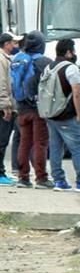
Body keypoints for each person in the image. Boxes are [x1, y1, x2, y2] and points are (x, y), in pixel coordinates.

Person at [44, 39, 80, 192]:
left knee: (55, 148)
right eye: (73, 50)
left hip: (51, 114)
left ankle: (59, 181)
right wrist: (79, 114)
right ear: (69, 52)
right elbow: (76, 93)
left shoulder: (49, 67)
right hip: (67, 115)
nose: (75, 54)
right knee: (78, 148)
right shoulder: (71, 68)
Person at [13, 31, 53, 189]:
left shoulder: (17, 60)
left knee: (25, 142)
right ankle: (41, 178)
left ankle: (23, 178)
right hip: (38, 108)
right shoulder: (43, 62)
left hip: (21, 107)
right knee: (40, 143)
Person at [0, 32, 18, 186]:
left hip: (5, 104)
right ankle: (0, 173)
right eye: (13, 43)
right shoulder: (1, 60)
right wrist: (5, 105)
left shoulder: (5, 59)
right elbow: (2, 83)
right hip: (3, 107)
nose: (15, 46)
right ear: (6, 44)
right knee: (2, 140)